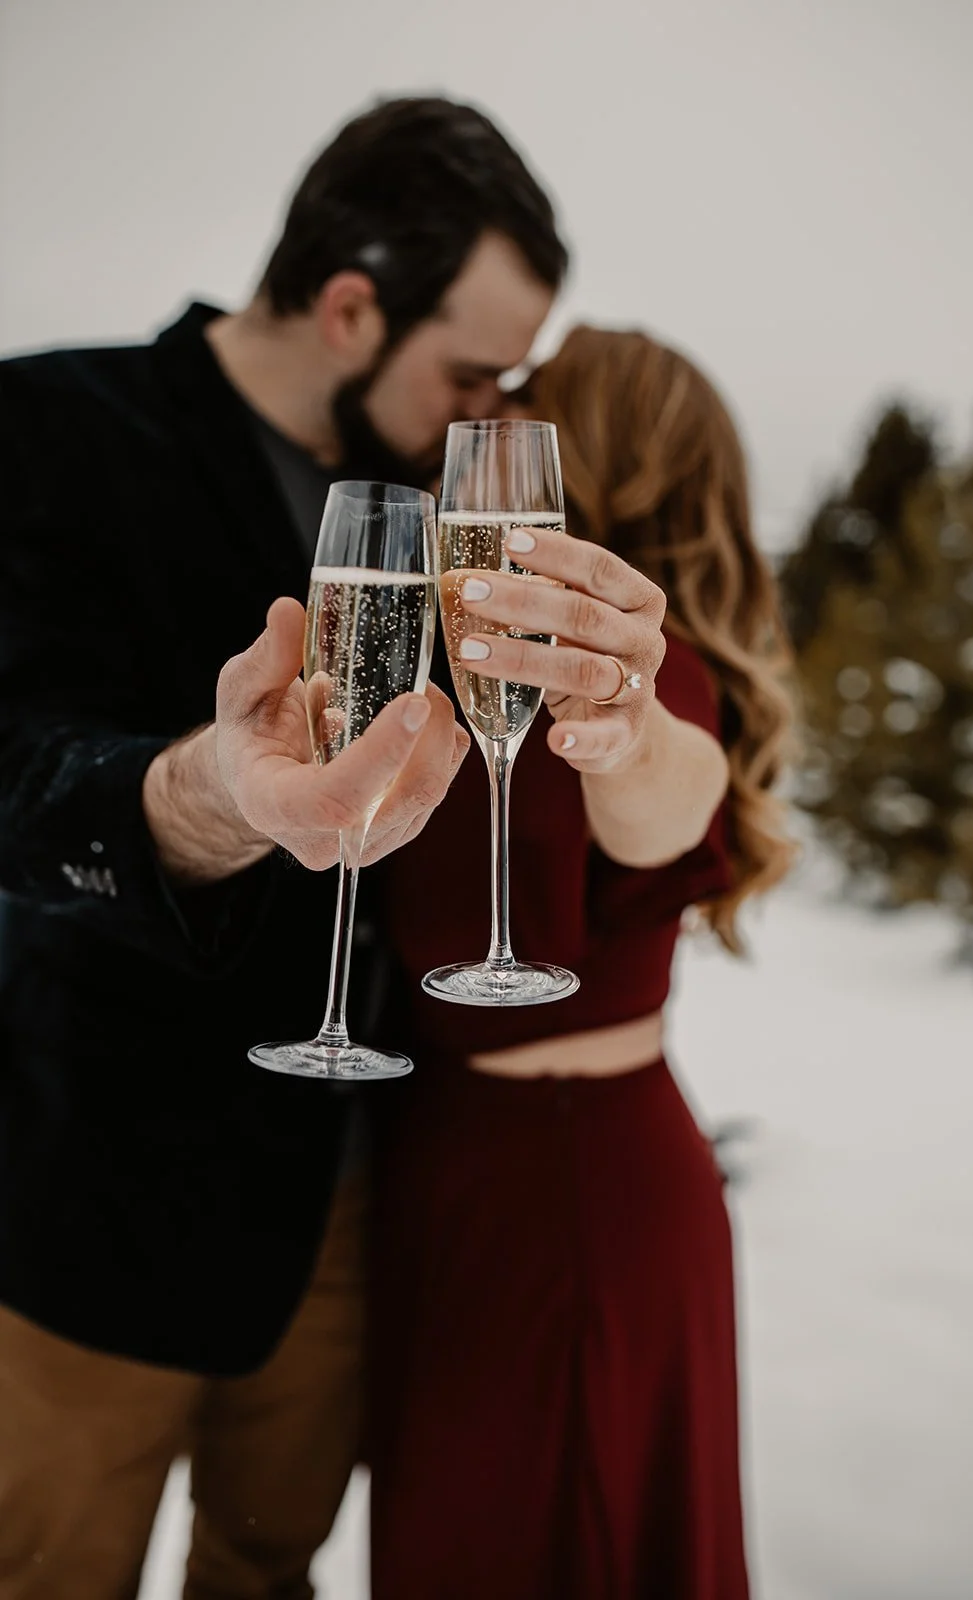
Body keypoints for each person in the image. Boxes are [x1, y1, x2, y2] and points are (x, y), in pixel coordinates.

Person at [0, 96, 565, 1599]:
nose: (481, 413)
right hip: (84, 1208)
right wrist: (207, 793)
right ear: (348, 307)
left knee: (271, 1571)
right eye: (469, 372)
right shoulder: (47, 426)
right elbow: (13, 769)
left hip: (331, 1202)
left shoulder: (445, 511)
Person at [368, 325, 795, 1599]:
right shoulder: (456, 646)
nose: (495, 421)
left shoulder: (662, 684)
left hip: (575, 1186)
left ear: (591, 459)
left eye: (534, 406)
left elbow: (674, 787)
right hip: (448, 1171)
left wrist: (625, 727)